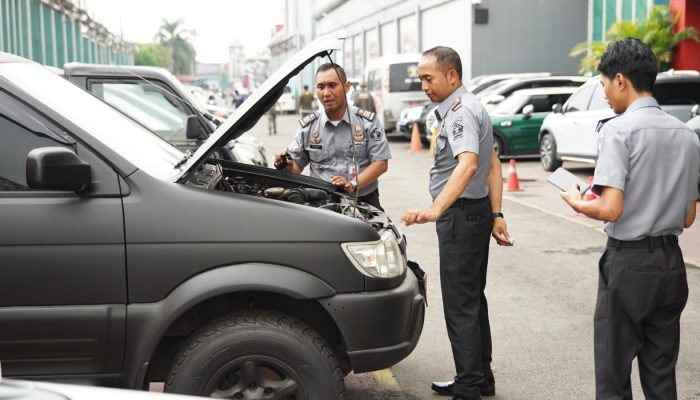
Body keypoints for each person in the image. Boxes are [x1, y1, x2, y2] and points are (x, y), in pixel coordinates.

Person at [560, 38, 699, 399]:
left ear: (620, 80)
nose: (604, 93)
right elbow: (688, 217)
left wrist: (577, 202)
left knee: (613, 373)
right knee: (660, 374)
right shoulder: (688, 136)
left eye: (604, 84)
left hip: (629, 263)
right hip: (671, 263)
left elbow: (609, 209)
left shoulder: (618, 131)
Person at [401, 46, 512, 400]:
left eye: (428, 78)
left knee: (460, 304)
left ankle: (469, 387)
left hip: (460, 216)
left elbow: (467, 165)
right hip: (475, 211)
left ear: (452, 76)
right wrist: (496, 214)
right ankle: (480, 377)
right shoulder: (473, 107)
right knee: (472, 299)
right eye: (420, 79)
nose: (424, 86)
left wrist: (436, 209)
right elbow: (492, 164)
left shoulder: (461, 113)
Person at [275, 63, 391, 210]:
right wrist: (286, 165)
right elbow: (296, 167)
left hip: (363, 201)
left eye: (332, 85)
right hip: (321, 203)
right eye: (321, 87)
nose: (326, 93)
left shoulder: (368, 122)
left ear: (347, 86)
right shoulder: (308, 126)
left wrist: (352, 183)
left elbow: (380, 163)